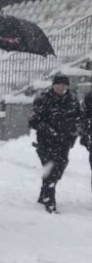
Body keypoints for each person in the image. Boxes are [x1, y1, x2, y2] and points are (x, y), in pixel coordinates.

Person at [29, 75, 82, 213]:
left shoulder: (73, 100)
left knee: (59, 169)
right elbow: (33, 121)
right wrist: (48, 130)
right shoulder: (43, 99)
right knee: (51, 170)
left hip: (64, 142)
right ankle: (50, 202)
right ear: (53, 85)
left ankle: (43, 193)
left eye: (64, 85)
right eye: (58, 85)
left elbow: (78, 119)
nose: (60, 88)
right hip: (46, 142)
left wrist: (72, 136)